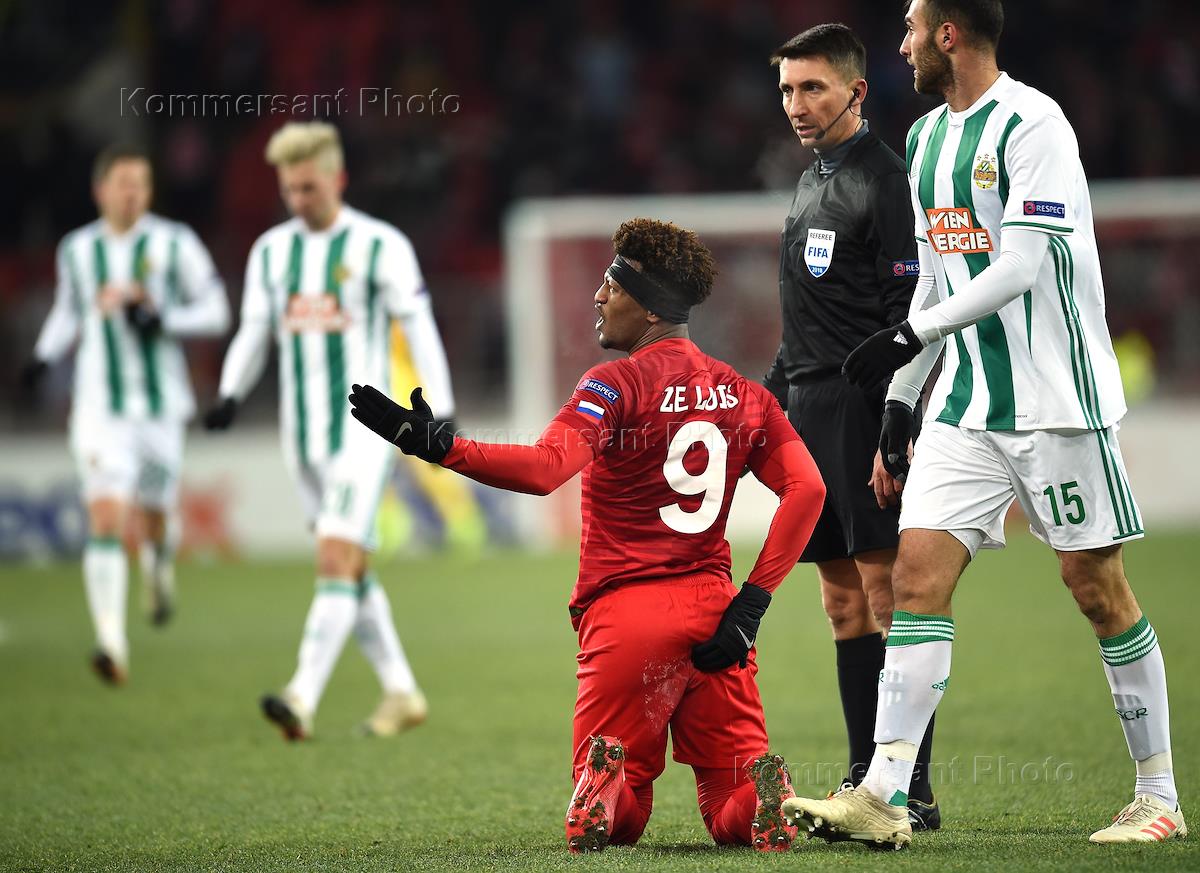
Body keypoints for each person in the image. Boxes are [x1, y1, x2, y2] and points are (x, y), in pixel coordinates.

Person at [783, 0, 1184, 848]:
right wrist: (903, 397)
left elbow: (1021, 264)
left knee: (1095, 587)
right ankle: (885, 791)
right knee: (915, 579)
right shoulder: (927, 138)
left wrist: (909, 336)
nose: (901, 45)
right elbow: (935, 279)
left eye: (910, 28)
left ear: (949, 35)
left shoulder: (1035, 125)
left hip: (1055, 402)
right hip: (965, 406)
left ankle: (1158, 794)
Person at [349, 218, 827, 853]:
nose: (599, 297)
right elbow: (808, 490)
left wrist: (441, 447)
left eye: (613, 285)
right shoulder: (744, 394)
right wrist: (753, 602)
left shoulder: (613, 384)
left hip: (627, 617)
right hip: (718, 617)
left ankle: (605, 789)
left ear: (650, 307)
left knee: (623, 811)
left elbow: (546, 470)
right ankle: (764, 798)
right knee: (728, 798)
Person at [205, 121, 455, 740]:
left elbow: (419, 324)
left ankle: (301, 695)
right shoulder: (271, 252)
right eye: (289, 190)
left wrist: (442, 407)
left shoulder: (380, 245)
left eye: (309, 188)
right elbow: (253, 331)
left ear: (338, 178)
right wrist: (230, 393)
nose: (298, 200)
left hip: (363, 433)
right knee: (351, 565)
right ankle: (401, 691)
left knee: (336, 556)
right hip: (302, 438)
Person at [763, 23, 939, 828]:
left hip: (863, 409)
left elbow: (912, 312)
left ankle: (909, 788)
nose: (796, 105)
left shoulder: (886, 180)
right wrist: (768, 404)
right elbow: (803, 314)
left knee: (888, 594)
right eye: (787, 90)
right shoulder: (811, 178)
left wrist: (894, 422)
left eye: (813, 88)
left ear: (856, 91)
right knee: (842, 603)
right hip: (806, 412)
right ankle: (863, 776)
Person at [20, 144, 229, 684]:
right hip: (100, 409)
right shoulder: (78, 250)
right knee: (106, 517)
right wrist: (43, 358)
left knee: (154, 515)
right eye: (123, 183)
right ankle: (111, 641)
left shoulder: (176, 243)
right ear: (101, 191)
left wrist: (164, 319)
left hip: (160, 409)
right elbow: (69, 311)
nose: (133, 193)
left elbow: (216, 310)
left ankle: (157, 569)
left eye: (141, 183)